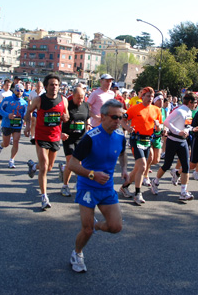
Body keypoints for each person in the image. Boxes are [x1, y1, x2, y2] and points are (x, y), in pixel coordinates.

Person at [67, 99, 128, 273]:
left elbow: (123, 154)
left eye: (121, 117)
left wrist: (124, 169)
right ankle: (77, 253)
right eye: (114, 117)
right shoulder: (90, 138)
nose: (118, 121)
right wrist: (93, 175)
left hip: (107, 188)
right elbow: (72, 165)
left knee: (116, 227)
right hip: (88, 186)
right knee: (86, 230)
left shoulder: (120, 137)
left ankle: (96, 225)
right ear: (102, 117)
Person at [24, 74, 69, 210]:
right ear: (46, 86)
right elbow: (28, 112)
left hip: (55, 137)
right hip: (41, 136)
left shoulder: (63, 100)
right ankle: (44, 196)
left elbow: (66, 116)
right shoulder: (39, 100)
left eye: (56, 84)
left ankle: (33, 167)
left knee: (49, 167)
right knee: (44, 167)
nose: (54, 87)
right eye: (51, 84)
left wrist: (65, 118)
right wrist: (27, 126)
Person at [119, 87, 163, 205]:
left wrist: (158, 127)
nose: (150, 99)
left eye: (152, 97)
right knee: (143, 165)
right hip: (136, 139)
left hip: (148, 140)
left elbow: (160, 127)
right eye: (147, 96)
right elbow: (122, 120)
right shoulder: (135, 108)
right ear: (142, 97)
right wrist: (128, 128)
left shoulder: (156, 110)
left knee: (138, 167)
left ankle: (125, 186)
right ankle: (138, 193)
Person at [152, 92, 198, 200]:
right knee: (167, 165)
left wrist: (191, 129)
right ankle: (155, 182)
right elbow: (167, 122)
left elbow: (186, 126)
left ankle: (183, 192)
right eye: (195, 102)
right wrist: (178, 132)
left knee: (186, 166)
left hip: (183, 142)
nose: (196, 105)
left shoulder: (188, 112)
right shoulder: (179, 111)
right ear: (190, 102)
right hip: (173, 141)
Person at [60, 86, 91, 197]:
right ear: (73, 96)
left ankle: (79, 182)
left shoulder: (86, 105)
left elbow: (87, 117)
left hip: (81, 138)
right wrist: (60, 133)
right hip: (68, 137)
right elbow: (59, 121)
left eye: (82, 98)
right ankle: (65, 186)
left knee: (80, 163)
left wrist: (88, 124)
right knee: (71, 162)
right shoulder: (67, 106)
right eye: (78, 98)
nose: (80, 100)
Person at [0, 83, 28, 168]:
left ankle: (12, 160)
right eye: (18, 90)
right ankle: (1, 145)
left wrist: (25, 118)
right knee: (6, 143)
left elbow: (25, 114)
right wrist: (7, 115)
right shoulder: (7, 99)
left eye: (21, 90)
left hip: (17, 124)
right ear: (14, 90)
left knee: (16, 141)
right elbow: (0, 109)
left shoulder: (24, 103)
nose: (19, 92)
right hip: (7, 124)